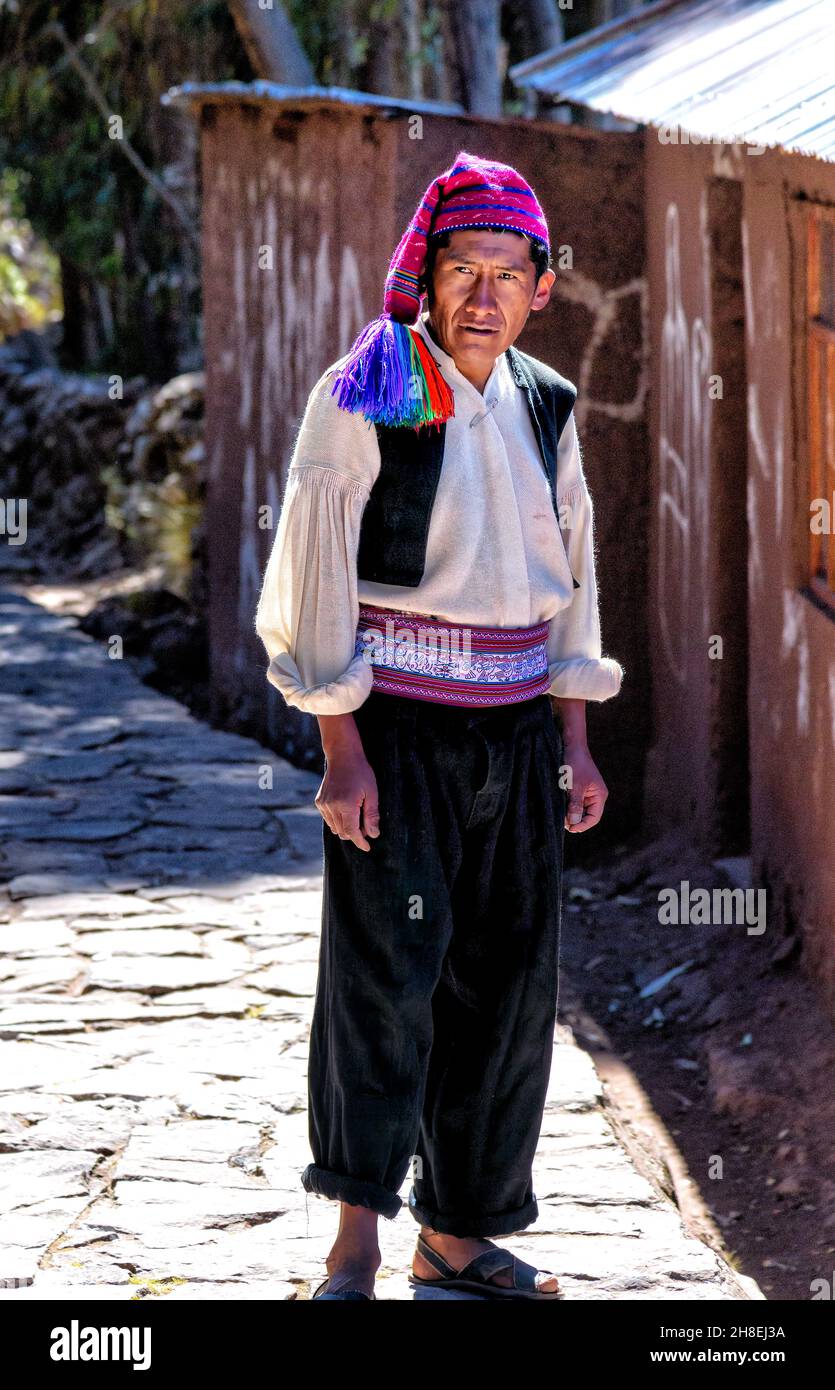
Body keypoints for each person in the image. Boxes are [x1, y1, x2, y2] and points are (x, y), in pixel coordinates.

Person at [255, 150, 624, 1301]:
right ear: (426, 274)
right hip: (399, 736)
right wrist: (341, 751)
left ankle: (458, 1232)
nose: (482, 297)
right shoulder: (366, 392)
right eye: (461, 269)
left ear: (540, 285)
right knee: (382, 981)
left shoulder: (545, 403)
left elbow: (575, 575)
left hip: (514, 740)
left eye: (505, 274)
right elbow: (314, 575)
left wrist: (573, 738)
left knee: (506, 989)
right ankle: (354, 1240)